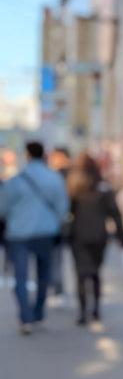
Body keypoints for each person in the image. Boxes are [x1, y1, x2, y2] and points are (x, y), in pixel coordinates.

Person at [0, 141, 69, 334]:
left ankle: (25, 317)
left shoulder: (16, 180)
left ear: (27, 155)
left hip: (19, 234)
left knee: (20, 276)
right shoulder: (55, 179)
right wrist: (52, 223)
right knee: (43, 275)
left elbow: (2, 208)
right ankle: (38, 312)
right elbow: (63, 208)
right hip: (46, 233)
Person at [66, 155, 123, 325]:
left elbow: (68, 212)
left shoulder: (75, 187)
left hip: (79, 235)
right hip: (99, 235)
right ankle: (96, 309)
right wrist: (121, 234)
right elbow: (115, 212)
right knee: (95, 273)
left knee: (81, 274)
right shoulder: (104, 188)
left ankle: (83, 312)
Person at [47, 146, 72, 306]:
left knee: (56, 259)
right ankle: (56, 289)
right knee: (54, 260)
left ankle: (57, 290)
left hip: (59, 224)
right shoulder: (51, 176)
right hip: (54, 224)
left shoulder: (64, 177)